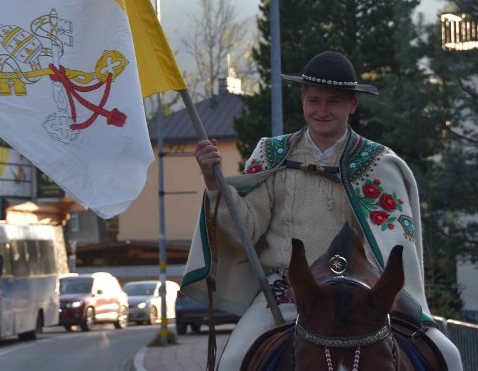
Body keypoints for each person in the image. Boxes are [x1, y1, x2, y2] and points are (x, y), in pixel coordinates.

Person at [180, 51, 462, 371]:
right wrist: (213, 184)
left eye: (334, 101)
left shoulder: (379, 165)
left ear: (352, 105)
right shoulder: (273, 154)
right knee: (230, 363)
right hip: (288, 298)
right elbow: (246, 228)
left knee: (449, 355)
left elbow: (393, 248)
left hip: (362, 305)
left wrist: (366, 292)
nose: (322, 110)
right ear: (303, 102)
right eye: (314, 100)